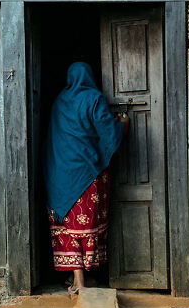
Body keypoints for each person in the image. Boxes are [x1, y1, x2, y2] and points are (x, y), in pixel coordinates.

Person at [44, 62, 129, 294]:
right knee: (84, 226)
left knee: (68, 226)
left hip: (60, 173)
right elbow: (107, 133)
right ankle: (83, 281)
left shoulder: (60, 100)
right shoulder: (94, 98)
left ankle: (77, 280)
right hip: (86, 174)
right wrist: (122, 125)